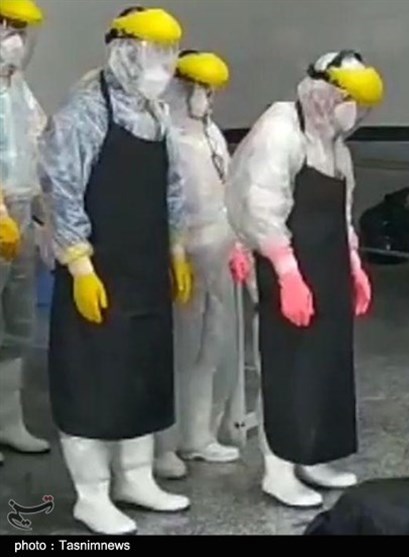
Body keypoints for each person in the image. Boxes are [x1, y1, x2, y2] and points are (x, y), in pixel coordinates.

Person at [38, 6, 193, 535]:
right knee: (93, 380)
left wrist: (176, 249)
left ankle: (136, 477)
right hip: (99, 270)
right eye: (153, 55)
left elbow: (173, 186)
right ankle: (92, 494)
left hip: (145, 269)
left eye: (169, 56)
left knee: (142, 373)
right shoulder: (84, 110)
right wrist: (79, 264)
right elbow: (60, 188)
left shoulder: (157, 115)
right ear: (124, 51)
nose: (162, 68)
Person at [225, 50, 383, 508]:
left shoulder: (334, 144)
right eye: (349, 100)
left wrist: (353, 265)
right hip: (286, 269)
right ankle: (278, 470)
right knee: (287, 366)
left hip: (328, 270)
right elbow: (261, 207)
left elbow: (342, 211)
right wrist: (287, 274)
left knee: (326, 365)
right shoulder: (280, 130)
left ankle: (313, 456)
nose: (354, 112)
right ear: (323, 92)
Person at [154, 49, 250, 480]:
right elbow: (170, 201)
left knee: (212, 346)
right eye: (202, 89)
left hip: (219, 251)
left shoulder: (209, 133)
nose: (208, 98)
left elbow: (227, 190)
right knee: (179, 351)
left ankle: (199, 434)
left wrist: (239, 243)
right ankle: (164, 444)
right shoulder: (165, 137)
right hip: (184, 255)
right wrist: (175, 250)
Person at [0, 0, 49, 465]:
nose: (14, 39)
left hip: (18, 213)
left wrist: (44, 214)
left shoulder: (18, 88)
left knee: (16, 324)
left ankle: (9, 421)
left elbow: (36, 146)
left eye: (19, 30)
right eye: (7, 27)